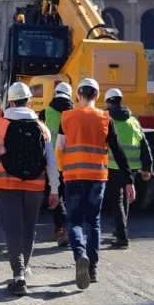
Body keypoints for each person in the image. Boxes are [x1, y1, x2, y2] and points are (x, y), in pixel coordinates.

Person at [55, 77, 134, 289]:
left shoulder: (67, 117)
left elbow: (59, 148)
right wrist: (128, 179)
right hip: (97, 177)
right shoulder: (104, 118)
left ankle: (80, 254)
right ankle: (92, 269)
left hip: (73, 177)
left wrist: (63, 171)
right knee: (94, 222)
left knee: (74, 221)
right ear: (97, 96)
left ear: (78, 95)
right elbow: (118, 150)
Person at [0, 81, 59, 295]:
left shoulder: (2, 125)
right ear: (29, 100)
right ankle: (24, 268)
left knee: (12, 230)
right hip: (35, 186)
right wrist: (54, 189)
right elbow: (52, 161)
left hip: (6, 184)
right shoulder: (41, 126)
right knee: (29, 229)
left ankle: (18, 276)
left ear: (10, 101)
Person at [103, 88, 153, 248]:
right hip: (132, 167)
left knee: (117, 200)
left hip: (113, 165)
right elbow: (144, 145)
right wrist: (147, 167)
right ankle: (120, 231)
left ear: (108, 102)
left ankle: (122, 237)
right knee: (125, 199)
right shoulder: (133, 121)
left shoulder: (106, 119)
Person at [40, 81, 74, 247]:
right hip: (73, 161)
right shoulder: (76, 113)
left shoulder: (45, 112)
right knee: (72, 196)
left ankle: (60, 229)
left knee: (56, 194)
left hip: (52, 161)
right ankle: (73, 229)